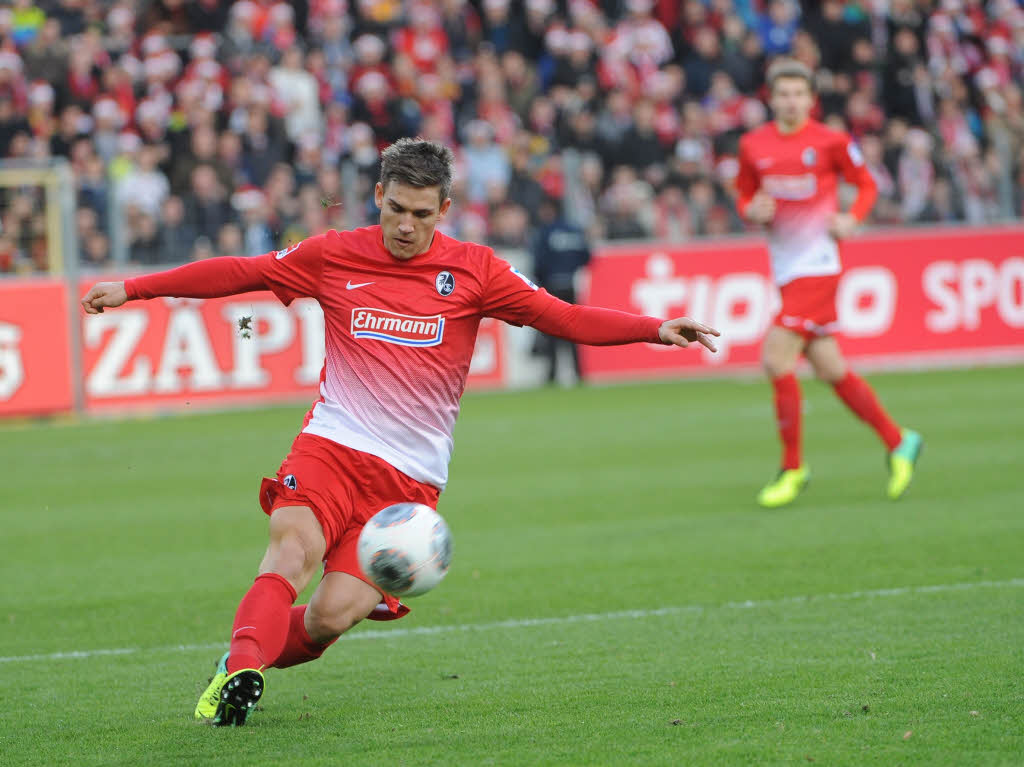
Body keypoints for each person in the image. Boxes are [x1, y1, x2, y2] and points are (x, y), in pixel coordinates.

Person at [80, 139, 719, 727]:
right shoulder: (332, 254)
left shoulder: (476, 270)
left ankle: (237, 664)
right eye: (396, 210)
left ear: (444, 208)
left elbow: (564, 315)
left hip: (407, 485)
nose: (406, 227)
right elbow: (239, 272)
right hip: (330, 447)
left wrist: (652, 327)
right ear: (378, 197)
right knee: (290, 553)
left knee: (331, 617)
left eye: (421, 213)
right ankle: (246, 665)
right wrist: (134, 288)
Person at [735, 60, 922, 509]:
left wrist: (851, 218)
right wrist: (751, 210)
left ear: (811, 99)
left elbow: (866, 184)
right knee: (829, 369)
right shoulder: (752, 145)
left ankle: (793, 467)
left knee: (776, 357)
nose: (791, 101)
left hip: (818, 265)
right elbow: (745, 194)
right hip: (785, 268)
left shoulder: (831, 141)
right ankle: (900, 440)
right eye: (783, 94)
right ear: (771, 98)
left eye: (799, 94)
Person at [530, 196, 591, 384]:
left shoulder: (545, 232)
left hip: (552, 287)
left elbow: (538, 262)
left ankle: (552, 375)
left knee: (551, 333)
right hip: (571, 284)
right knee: (574, 332)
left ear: (550, 209)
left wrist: (542, 280)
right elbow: (587, 256)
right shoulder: (574, 230)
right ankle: (579, 373)